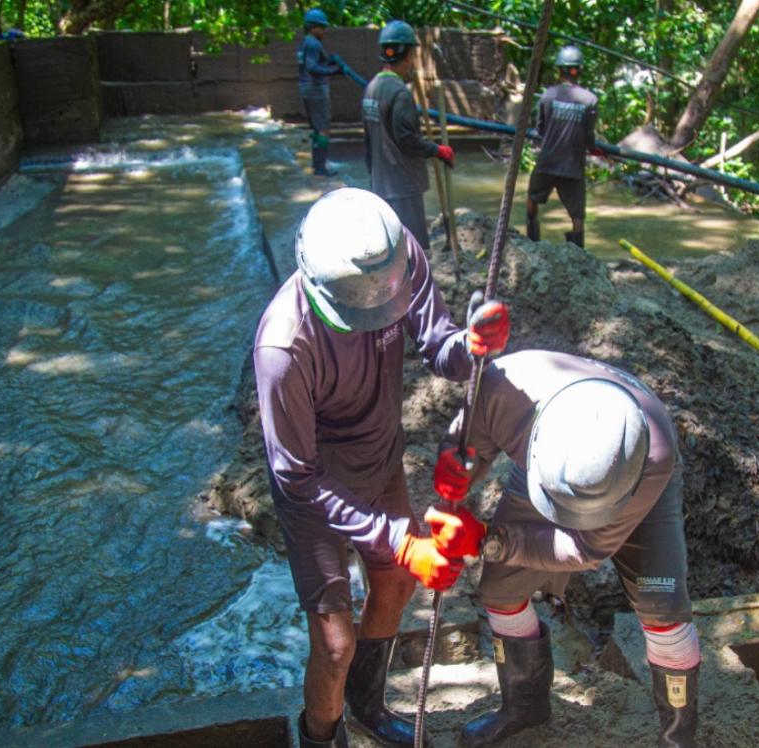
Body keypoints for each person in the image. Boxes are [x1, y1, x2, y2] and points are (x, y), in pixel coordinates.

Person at [254, 188, 510, 748]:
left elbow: (438, 348)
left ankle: (366, 702)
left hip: (380, 455)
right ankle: (322, 736)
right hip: (316, 487)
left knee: (394, 583)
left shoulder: (393, 257)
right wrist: (395, 534)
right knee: (336, 641)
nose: (372, 319)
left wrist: (471, 345)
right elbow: (296, 478)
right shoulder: (283, 348)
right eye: (356, 314)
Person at [429, 349, 700, 748]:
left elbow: (585, 551)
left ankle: (677, 739)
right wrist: (455, 478)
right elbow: (470, 444)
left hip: (638, 478)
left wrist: (488, 540)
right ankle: (524, 706)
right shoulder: (505, 390)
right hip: (549, 462)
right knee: (500, 590)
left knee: (662, 602)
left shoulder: (651, 457)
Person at [361, 20, 455, 251]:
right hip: (402, 185)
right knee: (413, 249)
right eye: (413, 53)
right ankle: (415, 286)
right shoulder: (399, 93)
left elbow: (367, 140)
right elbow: (407, 140)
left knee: (390, 246)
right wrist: (437, 150)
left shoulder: (371, 88)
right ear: (407, 54)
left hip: (381, 183)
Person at [526, 45, 599, 249]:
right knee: (577, 214)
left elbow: (540, 129)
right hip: (573, 165)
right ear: (579, 71)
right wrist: (595, 149)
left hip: (547, 161)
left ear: (559, 71)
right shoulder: (590, 100)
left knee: (532, 197)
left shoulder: (548, 96)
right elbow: (589, 136)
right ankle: (578, 252)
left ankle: (532, 241)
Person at [296, 8, 348, 177]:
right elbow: (312, 67)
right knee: (323, 129)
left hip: (307, 89)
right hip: (315, 89)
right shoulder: (313, 43)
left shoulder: (305, 43)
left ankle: (317, 164)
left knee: (318, 129)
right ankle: (320, 168)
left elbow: (312, 63)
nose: (324, 31)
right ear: (313, 28)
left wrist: (329, 60)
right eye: (322, 27)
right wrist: (335, 71)